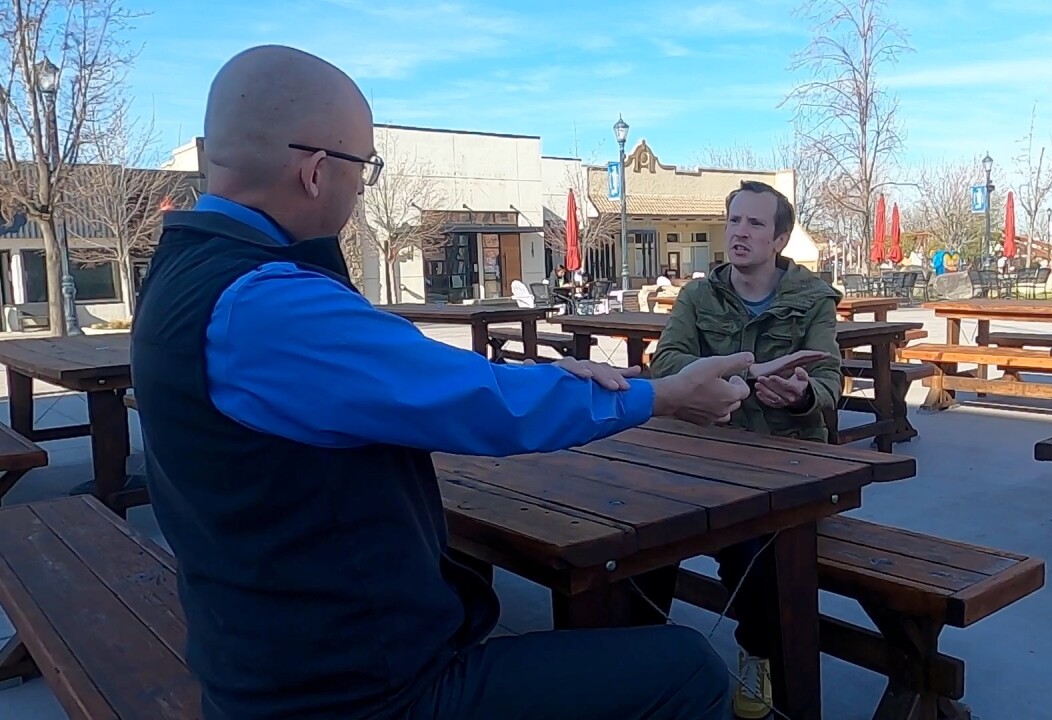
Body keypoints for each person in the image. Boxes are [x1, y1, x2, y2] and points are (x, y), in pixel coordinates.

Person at [130, 45, 748, 720]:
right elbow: (484, 402)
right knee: (686, 668)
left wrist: (539, 380)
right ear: (314, 171)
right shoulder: (267, 306)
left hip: (260, 655)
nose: (363, 188)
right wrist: (664, 394)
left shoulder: (186, 272)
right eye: (364, 168)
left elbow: (433, 385)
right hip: (352, 693)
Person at [649, 180, 842, 719]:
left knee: (752, 552)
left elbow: (829, 382)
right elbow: (664, 364)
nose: (740, 232)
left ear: (779, 238)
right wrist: (720, 375)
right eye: (734, 221)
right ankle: (641, 653)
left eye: (756, 224)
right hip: (707, 457)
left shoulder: (813, 300)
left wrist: (803, 395)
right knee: (638, 538)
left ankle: (758, 654)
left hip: (788, 462)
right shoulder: (697, 296)